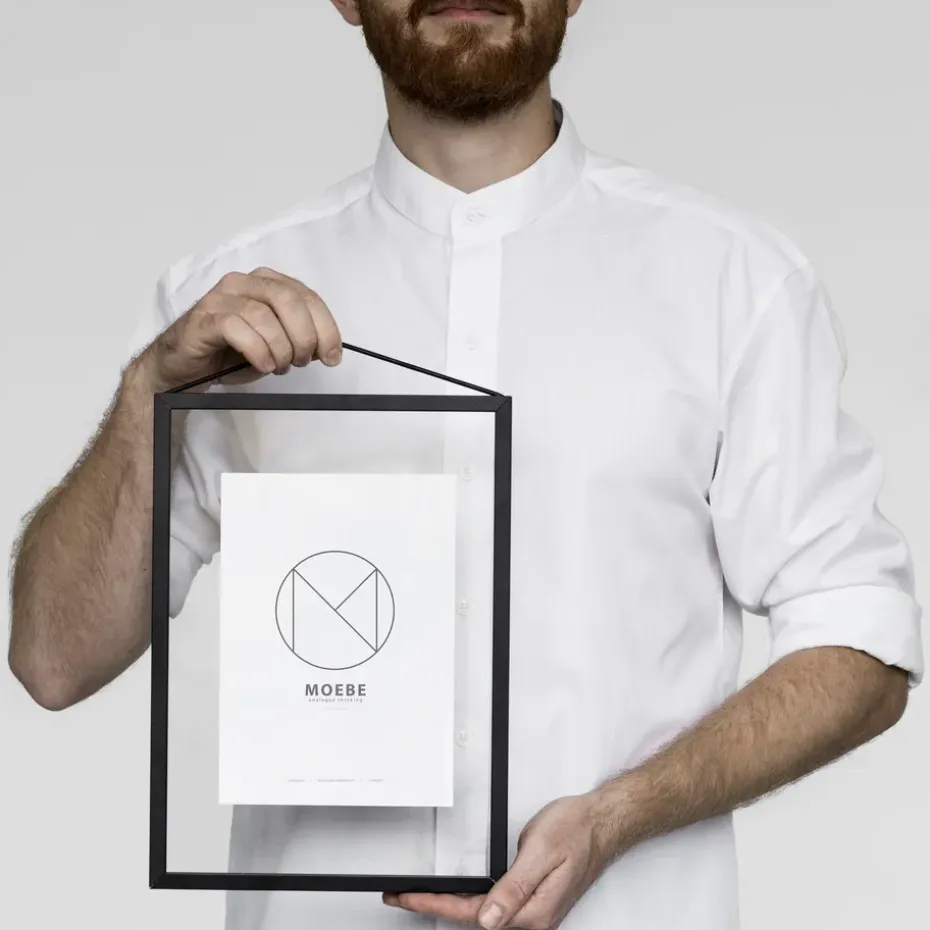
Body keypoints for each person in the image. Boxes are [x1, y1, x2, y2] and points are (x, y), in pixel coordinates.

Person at [8, 1, 924, 929]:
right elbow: (52, 661)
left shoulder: (734, 282)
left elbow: (863, 640)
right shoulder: (225, 304)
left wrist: (620, 816)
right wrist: (148, 393)